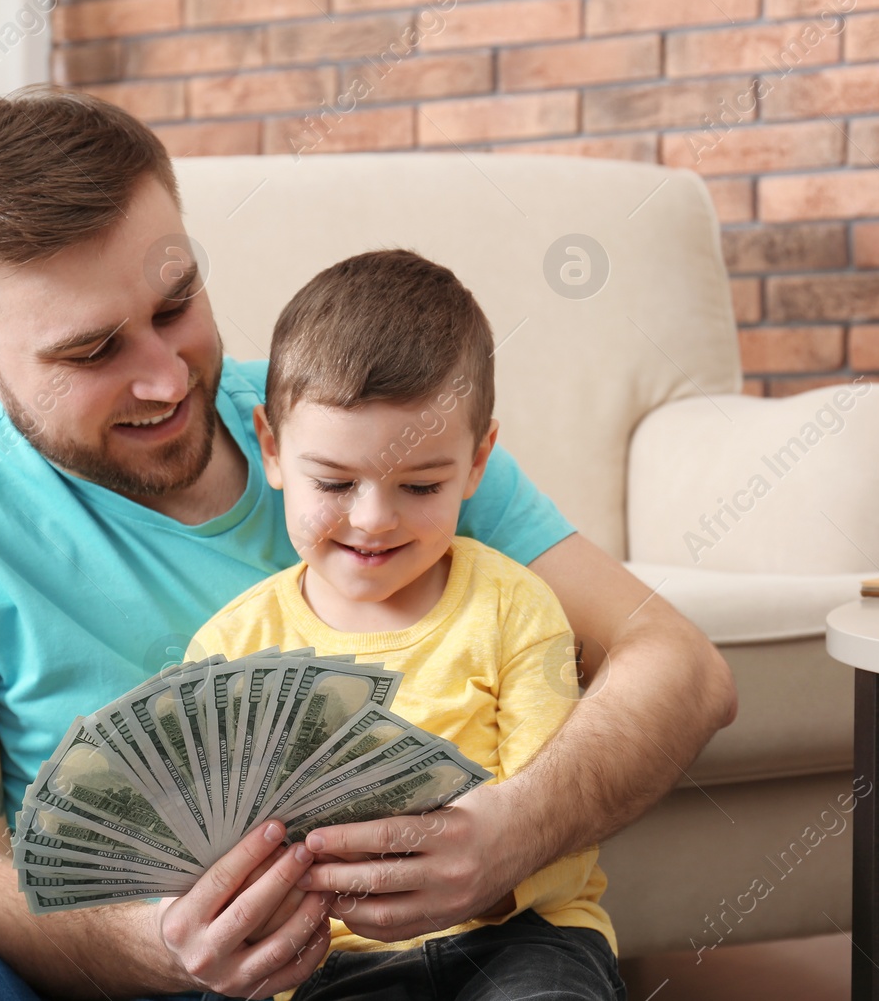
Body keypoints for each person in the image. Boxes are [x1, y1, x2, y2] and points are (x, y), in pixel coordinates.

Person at [0, 87, 734, 1001]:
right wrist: (159, 943)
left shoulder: (358, 440)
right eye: (89, 352)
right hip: (53, 974)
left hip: (373, 971)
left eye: (175, 302)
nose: (165, 374)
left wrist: (512, 832)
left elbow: (677, 661)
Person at [186, 248, 624, 1001]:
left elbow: (556, 822)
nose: (373, 520)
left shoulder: (514, 606)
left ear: (480, 460)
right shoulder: (231, 647)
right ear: (271, 447)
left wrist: (472, 882)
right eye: (334, 481)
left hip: (520, 934)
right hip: (333, 960)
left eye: (421, 485)